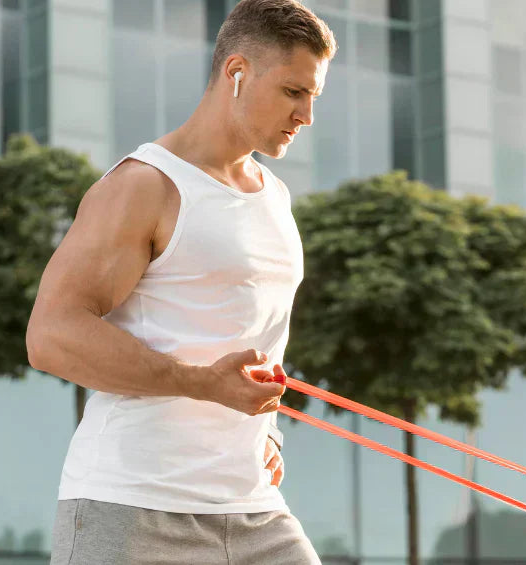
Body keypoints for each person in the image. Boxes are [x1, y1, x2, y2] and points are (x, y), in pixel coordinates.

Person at [26, 1, 335, 563]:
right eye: (294, 92)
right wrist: (201, 384)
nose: (307, 115)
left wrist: (263, 429)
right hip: (129, 508)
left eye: (314, 96)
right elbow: (51, 335)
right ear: (236, 72)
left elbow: (241, 331)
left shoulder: (275, 197)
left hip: (252, 508)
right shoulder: (144, 186)